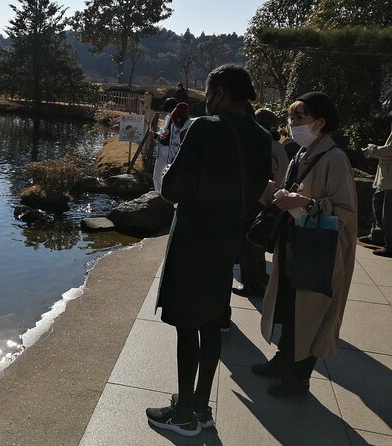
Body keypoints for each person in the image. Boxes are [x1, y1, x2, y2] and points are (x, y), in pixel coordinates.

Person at [146, 64, 271, 436]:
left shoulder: (204, 128)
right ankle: (201, 406)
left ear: (218, 93)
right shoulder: (262, 136)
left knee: (186, 324)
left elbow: (172, 190)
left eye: (209, 91)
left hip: (193, 239)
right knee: (213, 322)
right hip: (227, 240)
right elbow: (254, 194)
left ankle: (183, 413)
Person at [254, 92, 357, 398]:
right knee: (289, 305)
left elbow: (347, 213)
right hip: (294, 244)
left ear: (320, 122)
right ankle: (283, 360)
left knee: (311, 314)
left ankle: (298, 378)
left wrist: (306, 202)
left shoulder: (335, 159)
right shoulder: (300, 154)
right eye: (291, 117)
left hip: (319, 250)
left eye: (301, 117)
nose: (293, 122)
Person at [233, 108, 290, 298]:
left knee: (248, 243)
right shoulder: (277, 145)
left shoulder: (263, 144)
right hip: (271, 199)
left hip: (257, 199)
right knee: (257, 242)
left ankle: (251, 284)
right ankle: (260, 276)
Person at [359, 112, 392, 257]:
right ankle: (377, 236)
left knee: (388, 215)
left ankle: (390, 245)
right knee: (378, 205)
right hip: (385, 177)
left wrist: (372, 149)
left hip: (389, 179)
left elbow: (389, 150)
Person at [151, 100, 193, 191]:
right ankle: (158, 195)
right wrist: (156, 135)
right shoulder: (168, 118)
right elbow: (162, 134)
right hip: (162, 150)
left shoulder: (185, 124)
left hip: (174, 154)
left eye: (169, 111)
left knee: (169, 178)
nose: (169, 114)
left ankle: (167, 198)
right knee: (156, 176)